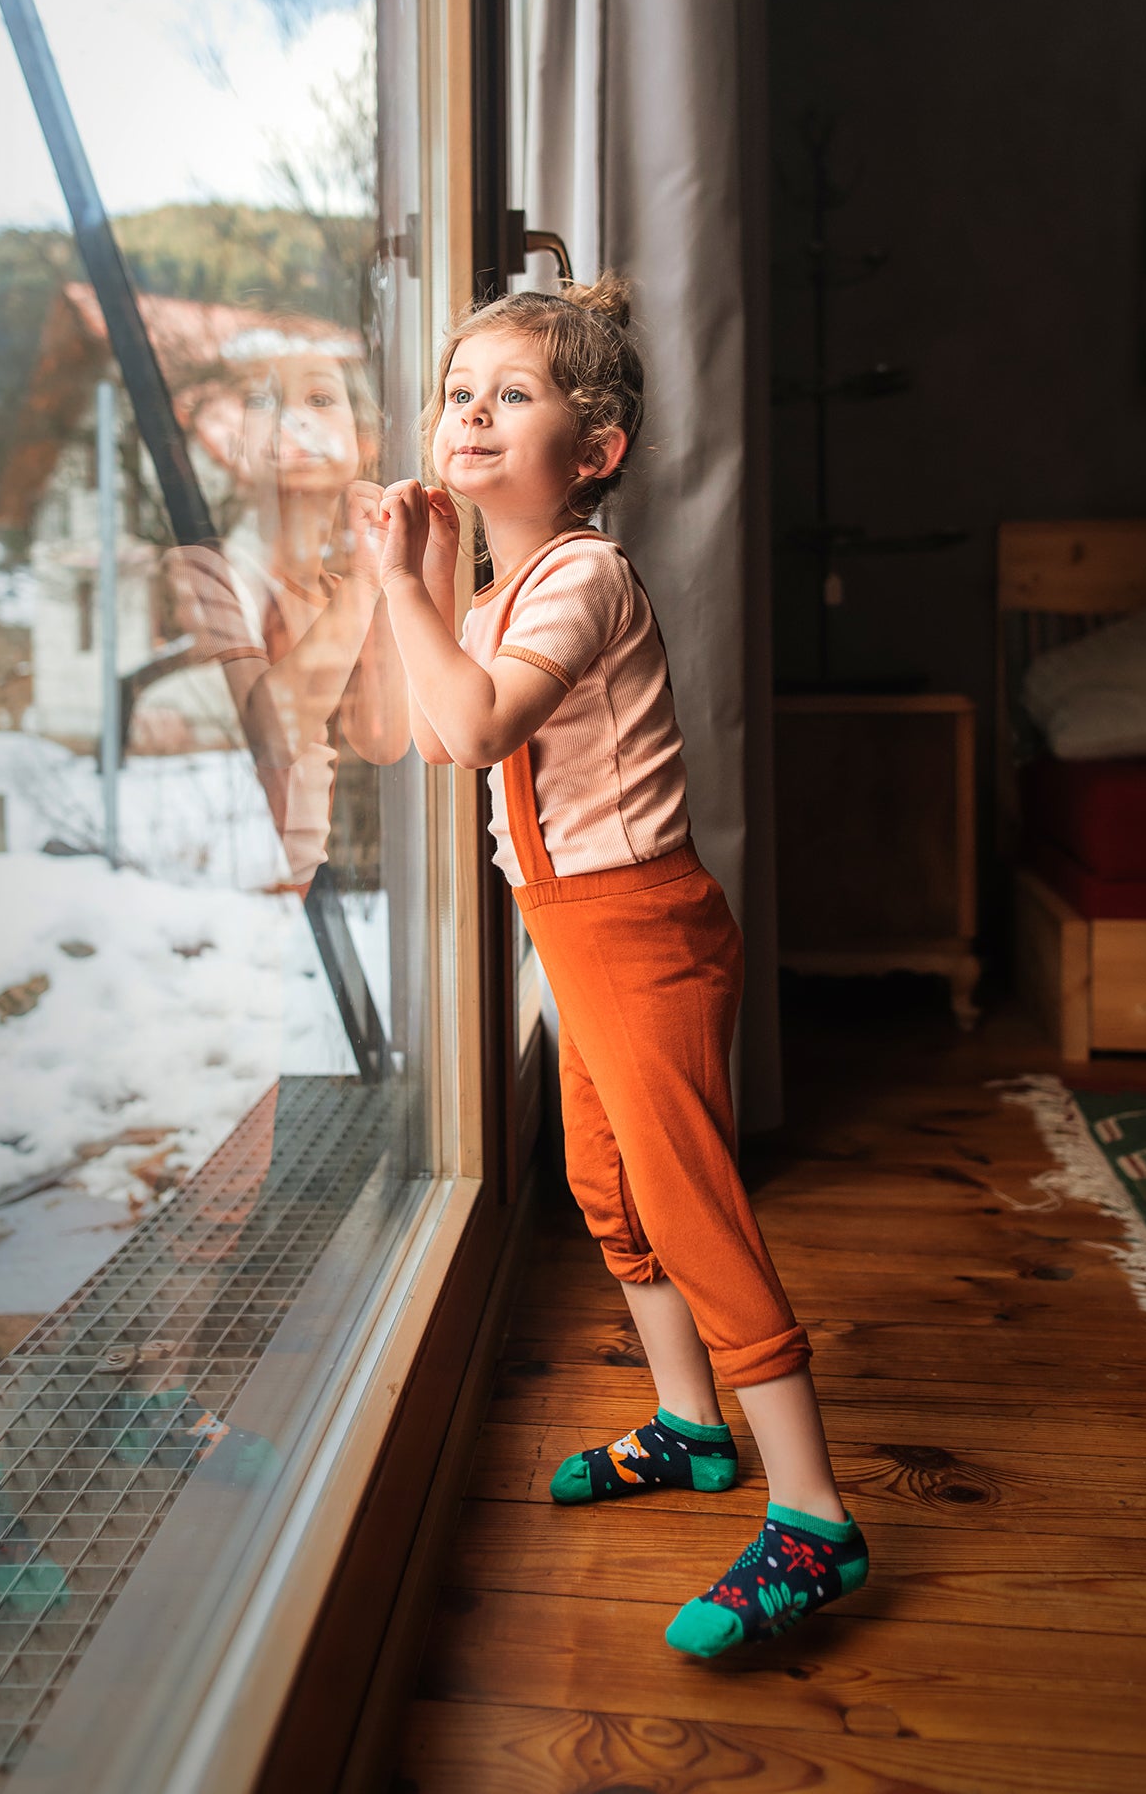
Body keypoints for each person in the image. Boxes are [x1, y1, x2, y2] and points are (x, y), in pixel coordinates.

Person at [374, 273, 868, 1658]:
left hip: (641, 927)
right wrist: (415, 583)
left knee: (690, 1201)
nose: (470, 412)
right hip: (573, 928)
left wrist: (401, 589)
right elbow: (420, 731)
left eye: (509, 394)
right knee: (608, 1181)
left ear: (593, 454)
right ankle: (690, 1424)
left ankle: (818, 1516)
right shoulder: (494, 592)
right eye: (458, 391)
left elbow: (472, 731)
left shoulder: (581, 572)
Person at [165, 315, 409, 889]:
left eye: (319, 398)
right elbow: (272, 732)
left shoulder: (346, 584)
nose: (289, 419)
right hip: (214, 888)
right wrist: (366, 583)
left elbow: (383, 738)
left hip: (300, 907)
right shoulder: (204, 572)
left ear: (366, 443)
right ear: (238, 447)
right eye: (261, 401)